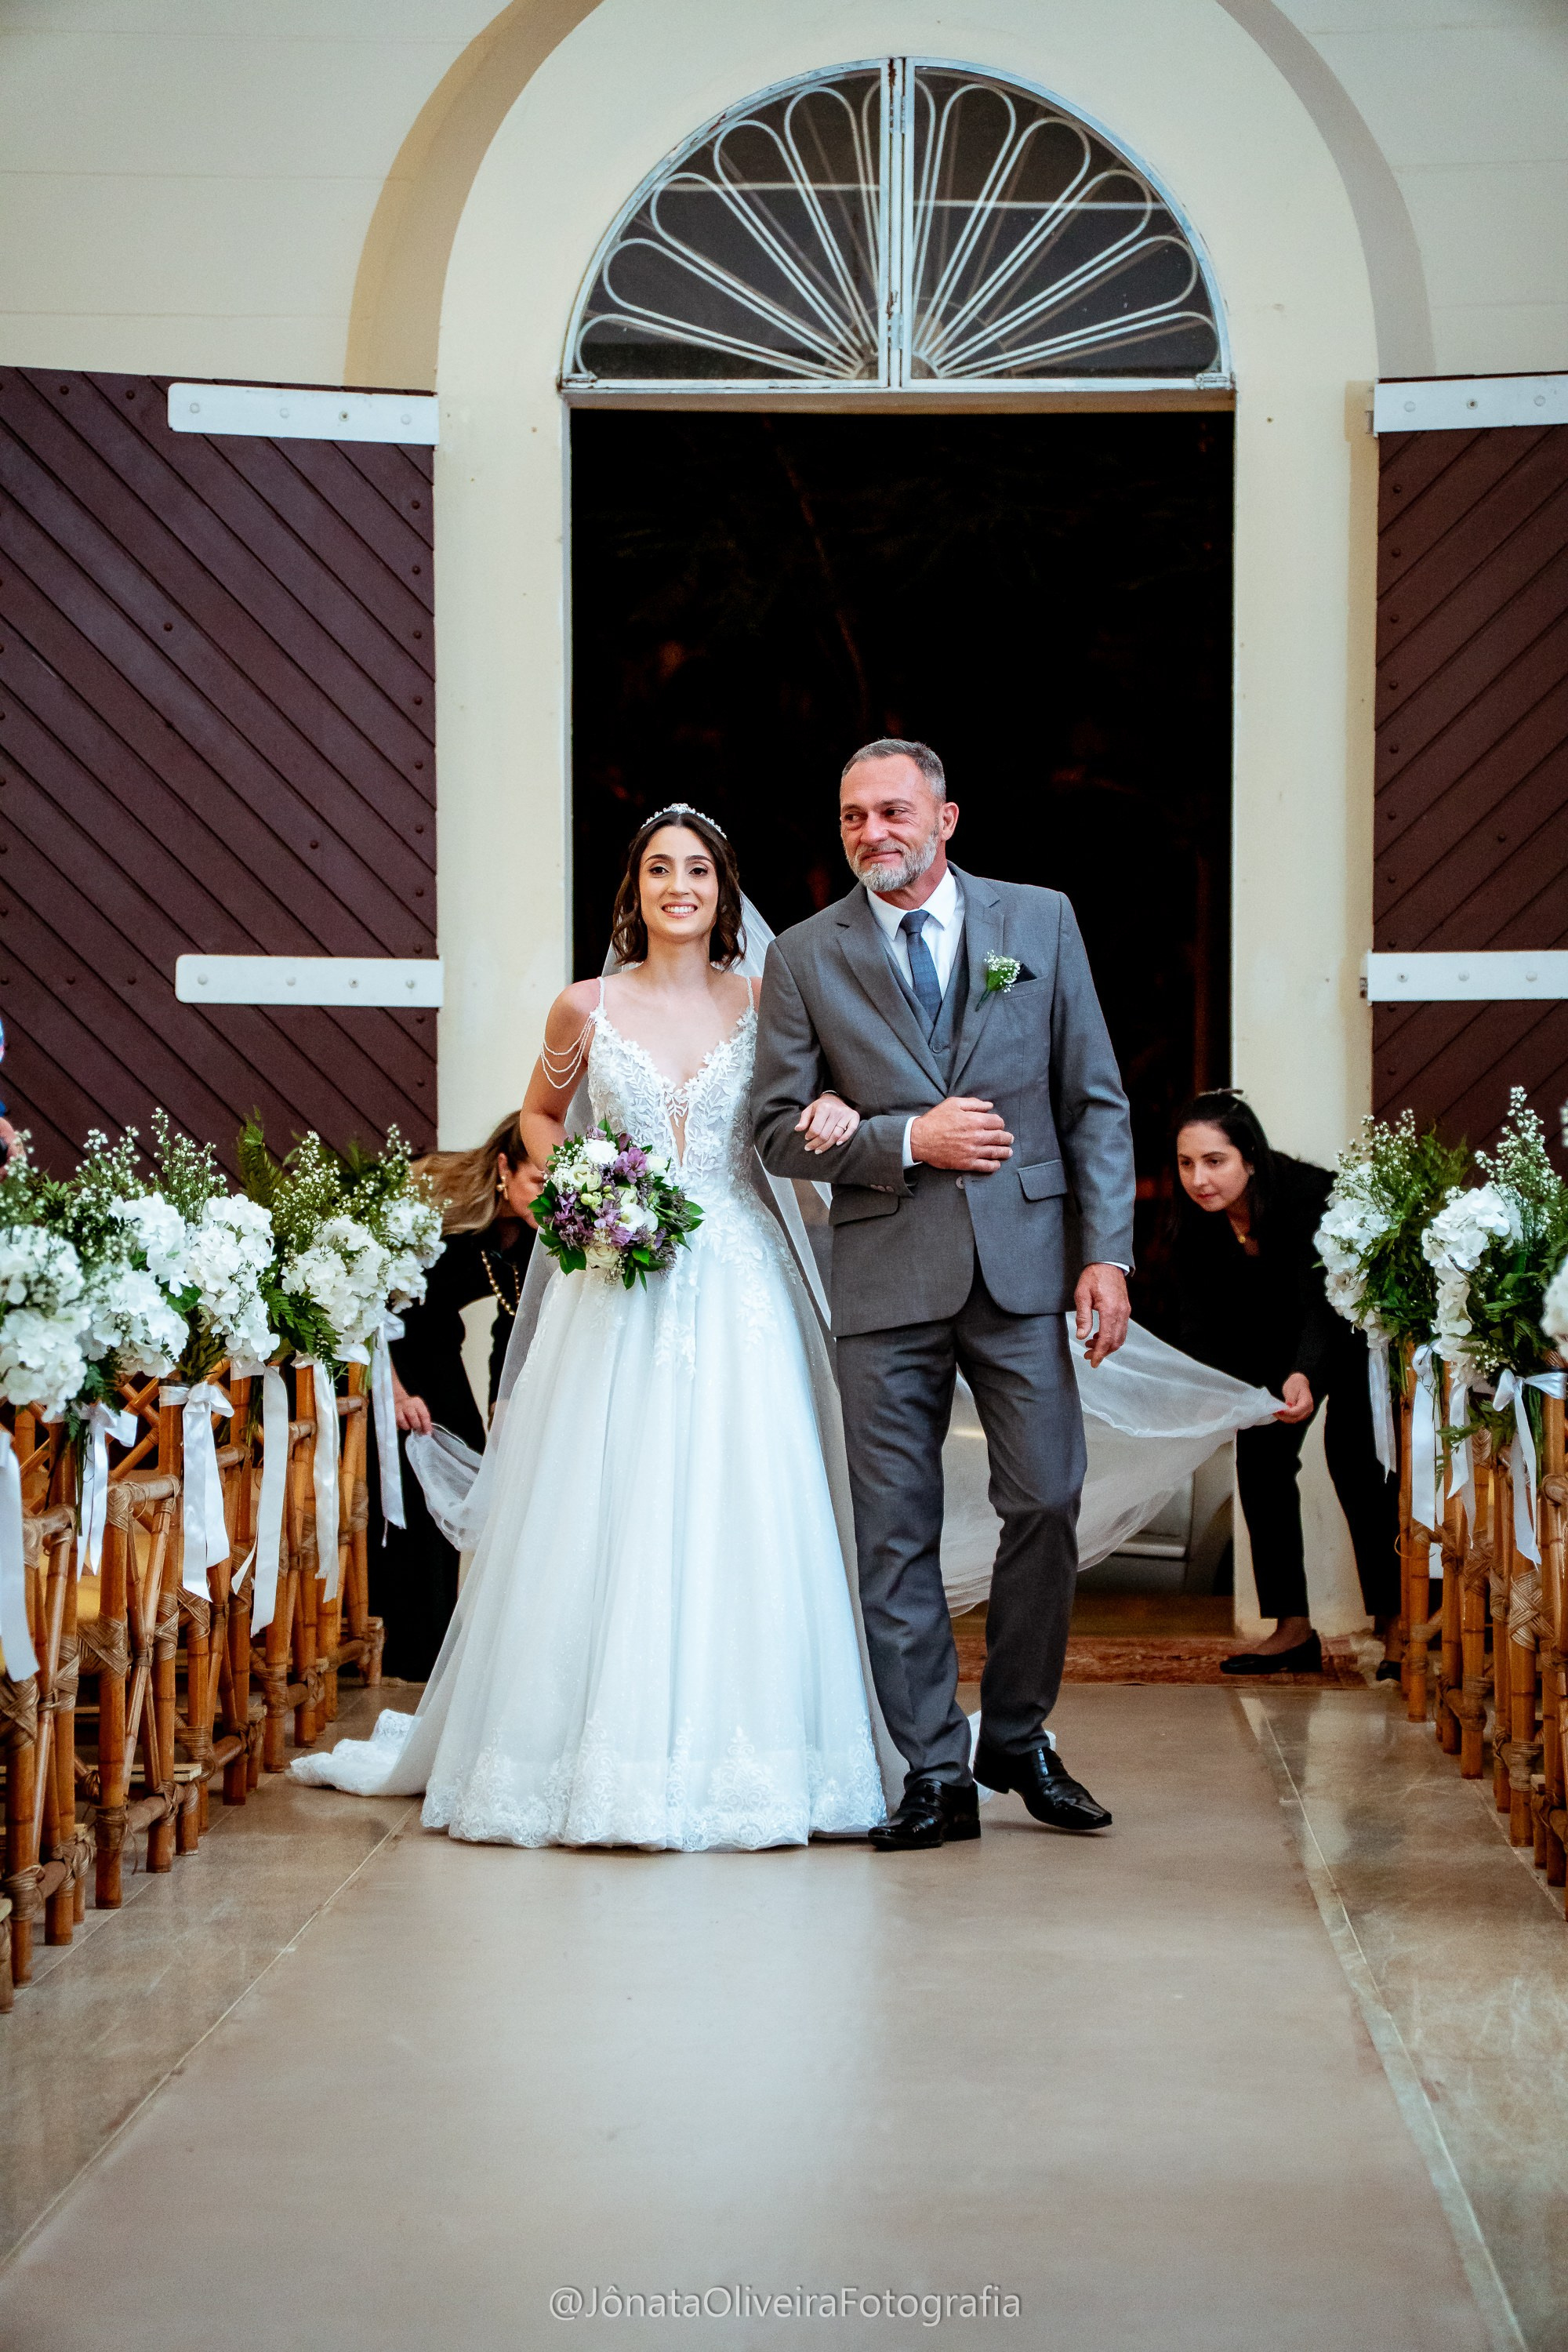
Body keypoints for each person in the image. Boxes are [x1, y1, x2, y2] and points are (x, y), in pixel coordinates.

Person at [294, 805, 893, 1849]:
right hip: (621, 1278)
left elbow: (807, 1109)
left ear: (722, 891)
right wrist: (586, 1195)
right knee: (608, 1493)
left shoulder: (765, 1000)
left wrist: (836, 1116)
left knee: (746, 1494)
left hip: (742, 1272)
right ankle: (582, 1757)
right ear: (635, 890)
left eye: (697, 870)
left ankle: (760, 1757)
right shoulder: (583, 1008)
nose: (678, 886)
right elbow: (536, 1116)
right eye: (659, 869)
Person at [751, 738, 1135, 1850]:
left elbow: (1094, 1100)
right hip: (882, 1269)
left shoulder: (1040, 921)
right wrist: (902, 1136)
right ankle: (933, 1768)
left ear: (946, 819)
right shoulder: (807, 957)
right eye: (853, 818)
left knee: (1048, 1498)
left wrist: (1104, 1253)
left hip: (1021, 1268)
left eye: (893, 811)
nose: (874, 833)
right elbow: (775, 1130)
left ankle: (1014, 1734)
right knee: (894, 1531)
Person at [1171, 1090, 1400, 1676]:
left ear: (1250, 1156)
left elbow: (1323, 1303)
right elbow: (1200, 1314)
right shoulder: (1197, 1221)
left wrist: (1307, 1372)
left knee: (1355, 1462)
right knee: (1262, 1462)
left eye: (1214, 1161)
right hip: (1272, 1346)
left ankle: (1397, 1622)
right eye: (1186, 1162)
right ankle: (1292, 1629)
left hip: (1348, 1331)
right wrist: (1213, 1390)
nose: (1199, 1178)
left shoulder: (1309, 1197)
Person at [367, 1116, 540, 1680]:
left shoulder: (533, 1234)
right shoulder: (435, 1207)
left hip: (438, 1351)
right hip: (385, 1357)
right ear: (503, 1169)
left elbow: (510, 1330)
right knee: (408, 1488)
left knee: (466, 1468)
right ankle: (399, 1644)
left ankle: (437, 1643)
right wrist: (391, 1390)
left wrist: (503, 1408)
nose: (551, 1196)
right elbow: (362, 1300)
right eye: (539, 1181)